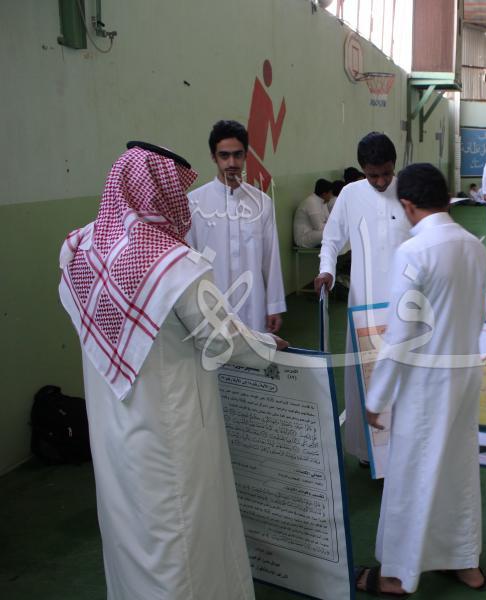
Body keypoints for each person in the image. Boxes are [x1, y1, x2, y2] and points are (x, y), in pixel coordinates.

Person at [58, 142, 288, 599]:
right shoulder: (173, 265)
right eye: (174, 190)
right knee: (179, 535)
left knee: (130, 530)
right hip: (171, 428)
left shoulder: (78, 248)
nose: (181, 201)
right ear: (158, 192)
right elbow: (222, 339)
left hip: (111, 427)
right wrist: (268, 346)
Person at [355, 163, 486, 596]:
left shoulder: (414, 252)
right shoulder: (474, 247)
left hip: (426, 381)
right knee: (458, 468)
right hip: (466, 371)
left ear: (408, 205)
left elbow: (401, 334)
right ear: (447, 198)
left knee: (410, 472)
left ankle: (396, 575)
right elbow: (476, 316)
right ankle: (465, 563)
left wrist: (377, 396)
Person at [315, 133, 410, 464]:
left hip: (405, 305)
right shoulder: (350, 194)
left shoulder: (409, 190)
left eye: (386, 173)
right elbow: (331, 239)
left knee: (404, 378)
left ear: (395, 165)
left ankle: (401, 453)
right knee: (364, 377)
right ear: (361, 170)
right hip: (363, 305)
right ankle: (368, 453)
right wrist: (327, 270)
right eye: (373, 175)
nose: (381, 181)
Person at [187, 120, 286, 333]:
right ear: (213, 157)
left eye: (237, 154)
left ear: (245, 155)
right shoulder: (194, 203)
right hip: (210, 306)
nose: (232, 162)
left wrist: (274, 305)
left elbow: (271, 258)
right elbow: (189, 262)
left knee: (256, 350)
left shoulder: (261, 203)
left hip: (254, 305)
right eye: (224, 155)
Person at [293, 178, 333, 248]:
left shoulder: (323, 202)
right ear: (324, 194)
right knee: (332, 233)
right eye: (330, 193)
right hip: (303, 238)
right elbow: (319, 227)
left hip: (314, 233)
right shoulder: (311, 202)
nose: (331, 196)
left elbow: (329, 220)